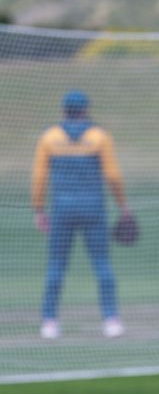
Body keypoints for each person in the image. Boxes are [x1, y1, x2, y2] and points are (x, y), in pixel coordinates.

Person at [31, 90, 130, 338]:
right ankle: (111, 320)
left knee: (56, 266)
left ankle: (49, 322)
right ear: (85, 109)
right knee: (102, 265)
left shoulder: (50, 137)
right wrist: (122, 206)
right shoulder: (99, 136)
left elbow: (39, 177)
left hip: (61, 210)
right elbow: (112, 175)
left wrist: (39, 208)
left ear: (64, 110)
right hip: (94, 209)